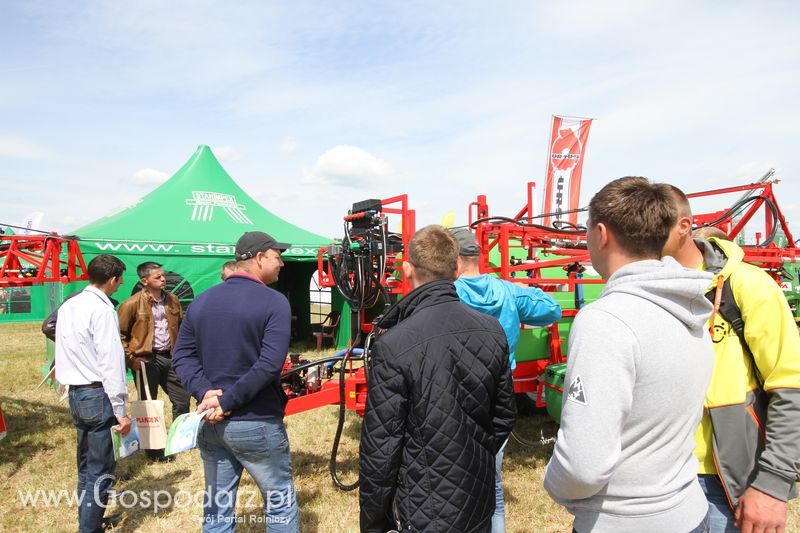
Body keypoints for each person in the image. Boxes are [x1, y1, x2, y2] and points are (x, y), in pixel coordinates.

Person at [543, 177, 715, 533]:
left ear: (601, 234)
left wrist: (553, 484)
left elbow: (582, 465)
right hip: (687, 509)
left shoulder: (605, 320)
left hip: (625, 521)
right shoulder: (690, 307)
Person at [359, 225, 517, 533]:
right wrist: (472, 455)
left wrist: (374, 522)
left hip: (422, 508)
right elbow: (504, 416)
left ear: (407, 269)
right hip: (475, 498)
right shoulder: (491, 330)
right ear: (457, 268)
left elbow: (380, 449)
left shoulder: (393, 344)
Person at [663, 185, 800, 533]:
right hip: (657, 484)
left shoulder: (749, 287)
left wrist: (773, 483)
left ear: (683, 227)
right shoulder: (648, 289)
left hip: (722, 484)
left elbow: (791, 386)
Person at [172, 231, 299, 532]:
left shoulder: (202, 301)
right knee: (279, 501)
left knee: (217, 507)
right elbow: (269, 364)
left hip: (209, 421)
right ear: (258, 258)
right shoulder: (275, 302)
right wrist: (225, 401)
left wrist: (205, 393)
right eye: (277, 257)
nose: (281, 264)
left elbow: (182, 357)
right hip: (256, 420)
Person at [451, 227, 561, 533]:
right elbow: (552, 310)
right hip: (498, 396)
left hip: (455, 397)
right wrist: (523, 299)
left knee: (454, 483)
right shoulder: (508, 292)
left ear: (453, 258)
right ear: (479, 255)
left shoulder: (447, 295)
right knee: (493, 486)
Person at [54, 254, 131, 533]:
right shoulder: (102, 309)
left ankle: (90, 520)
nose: (121, 284)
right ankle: (89, 528)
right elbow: (111, 361)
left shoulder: (69, 305)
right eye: (120, 280)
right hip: (98, 394)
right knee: (100, 470)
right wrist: (121, 410)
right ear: (111, 280)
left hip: (76, 393)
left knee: (86, 465)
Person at [118, 261, 190, 462]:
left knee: (182, 399)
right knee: (149, 407)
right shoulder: (131, 304)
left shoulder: (173, 300)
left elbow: (182, 328)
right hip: (146, 360)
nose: (163, 279)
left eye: (163, 275)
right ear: (144, 281)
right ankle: (155, 450)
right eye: (158, 277)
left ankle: (180, 441)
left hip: (171, 357)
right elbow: (120, 335)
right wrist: (131, 359)